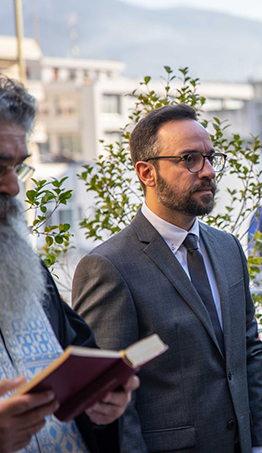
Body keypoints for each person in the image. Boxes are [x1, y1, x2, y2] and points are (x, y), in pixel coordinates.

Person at [71, 104, 262, 453]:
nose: (208, 171)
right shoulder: (108, 266)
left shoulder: (228, 248)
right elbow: (109, 399)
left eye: (210, 158)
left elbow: (248, 351)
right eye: (189, 159)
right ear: (147, 173)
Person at [0, 75, 138, 453]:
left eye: (17, 168)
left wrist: (103, 403)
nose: (12, 187)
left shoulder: (25, 270)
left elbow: (80, 370)